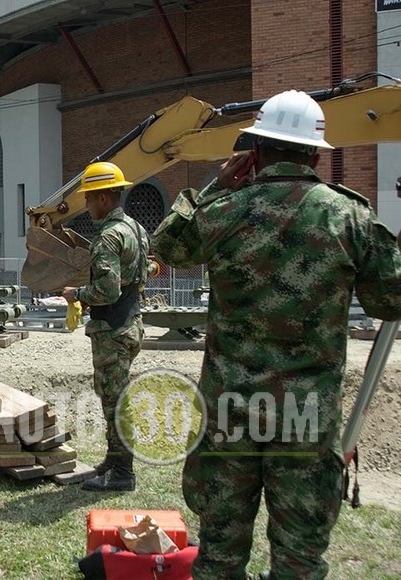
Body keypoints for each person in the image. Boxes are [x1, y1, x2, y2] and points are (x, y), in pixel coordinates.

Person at [151, 90, 401, 579]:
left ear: (256, 150)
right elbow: (390, 301)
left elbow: (167, 247)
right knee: (299, 560)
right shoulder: (349, 216)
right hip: (305, 417)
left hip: (230, 412)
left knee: (220, 556)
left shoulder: (224, 211)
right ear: (314, 154)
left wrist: (212, 188)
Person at [61, 162, 150, 493]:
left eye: (88, 198)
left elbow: (107, 290)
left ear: (102, 198)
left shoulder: (108, 237)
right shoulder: (136, 229)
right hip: (130, 322)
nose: (86, 205)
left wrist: (76, 294)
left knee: (115, 401)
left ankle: (123, 472)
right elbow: (143, 272)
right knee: (114, 396)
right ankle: (113, 461)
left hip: (112, 328)